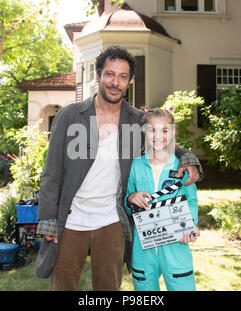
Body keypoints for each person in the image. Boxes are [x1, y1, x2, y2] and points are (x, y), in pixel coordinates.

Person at [35, 45, 204, 291]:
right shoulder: (71, 116)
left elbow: (162, 140)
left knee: (108, 287)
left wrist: (188, 157)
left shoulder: (136, 120)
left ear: (129, 82)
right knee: (63, 285)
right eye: (110, 74)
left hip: (112, 220)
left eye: (123, 76)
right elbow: (51, 173)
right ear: (98, 76)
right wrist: (48, 217)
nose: (115, 82)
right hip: (71, 218)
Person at [125, 108, 199, 291]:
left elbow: (191, 200)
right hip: (143, 249)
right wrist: (131, 198)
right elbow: (125, 203)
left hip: (176, 246)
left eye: (165, 130)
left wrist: (190, 225)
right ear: (144, 131)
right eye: (152, 130)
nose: (158, 136)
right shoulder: (135, 165)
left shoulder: (182, 167)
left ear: (173, 131)